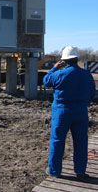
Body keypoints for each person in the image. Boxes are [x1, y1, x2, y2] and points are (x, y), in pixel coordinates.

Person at [43, 46, 96, 180]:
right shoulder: (86, 75)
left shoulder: (59, 74)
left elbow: (46, 81)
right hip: (81, 112)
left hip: (62, 112)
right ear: (77, 59)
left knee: (57, 140)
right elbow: (92, 93)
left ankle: (54, 170)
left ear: (64, 61)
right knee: (81, 141)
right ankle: (80, 171)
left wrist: (54, 67)